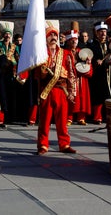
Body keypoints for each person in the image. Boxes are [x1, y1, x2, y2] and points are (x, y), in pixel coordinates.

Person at [36, 20, 77, 154]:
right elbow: (36, 75)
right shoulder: (42, 54)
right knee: (45, 119)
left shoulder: (65, 53)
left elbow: (71, 73)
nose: (53, 38)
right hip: (46, 90)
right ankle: (42, 144)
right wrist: (42, 72)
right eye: (50, 35)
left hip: (61, 90)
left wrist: (72, 91)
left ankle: (64, 144)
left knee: (62, 120)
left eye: (55, 35)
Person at [88, 22, 111, 124]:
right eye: (101, 32)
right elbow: (89, 56)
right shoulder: (92, 45)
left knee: (110, 94)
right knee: (98, 95)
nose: (103, 34)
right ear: (96, 33)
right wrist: (95, 60)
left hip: (110, 73)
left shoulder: (109, 45)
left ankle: (109, 116)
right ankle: (97, 117)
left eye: (104, 32)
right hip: (98, 74)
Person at [63, 29, 91, 125]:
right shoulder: (64, 52)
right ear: (68, 41)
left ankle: (81, 118)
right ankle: (69, 118)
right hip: (69, 79)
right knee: (70, 98)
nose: (74, 41)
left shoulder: (82, 52)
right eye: (72, 40)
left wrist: (88, 64)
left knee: (82, 98)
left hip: (81, 79)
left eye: (75, 39)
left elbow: (89, 68)